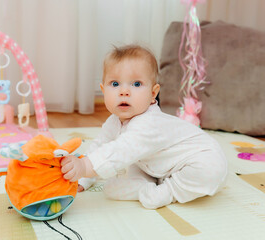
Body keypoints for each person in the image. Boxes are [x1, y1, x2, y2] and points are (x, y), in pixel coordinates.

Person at [61, 44, 227, 209]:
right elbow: (99, 146)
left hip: (198, 157)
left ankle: (169, 191)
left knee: (210, 171)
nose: (124, 91)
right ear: (103, 90)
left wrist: (84, 167)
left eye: (137, 84)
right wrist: (84, 177)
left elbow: (122, 149)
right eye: (115, 84)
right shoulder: (114, 121)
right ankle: (148, 184)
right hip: (154, 168)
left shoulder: (149, 122)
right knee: (111, 189)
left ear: (153, 94)